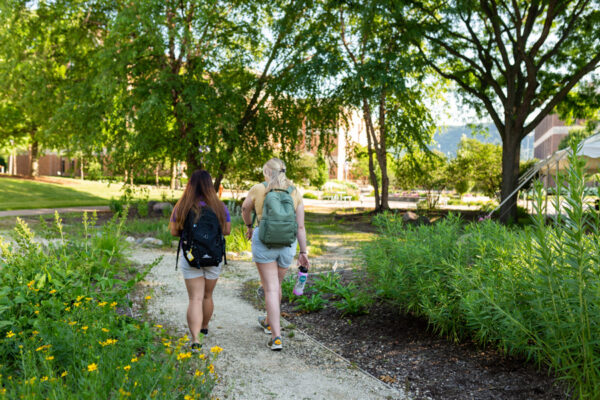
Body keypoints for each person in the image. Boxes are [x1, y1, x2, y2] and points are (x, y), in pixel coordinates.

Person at [241, 158, 310, 351]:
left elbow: (245, 208)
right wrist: (303, 252)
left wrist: (249, 226)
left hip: (264, 240)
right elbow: (301, 226)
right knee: (276, 286)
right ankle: (270, 322)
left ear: (266, 172)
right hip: (287, 243)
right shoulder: (294, 191)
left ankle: (276, 336)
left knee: (270, 288)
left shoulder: (258, 188)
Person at [169, 170, 231, 351]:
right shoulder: (220, 206)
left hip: (191, 257)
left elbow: (174, 231)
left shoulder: (182, 205)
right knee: (207, 295)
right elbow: (226, 231)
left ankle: (195, 339)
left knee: (195, 298)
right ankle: (204, 327)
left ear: (190, 185)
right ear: (209, 186)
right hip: (213, 256)